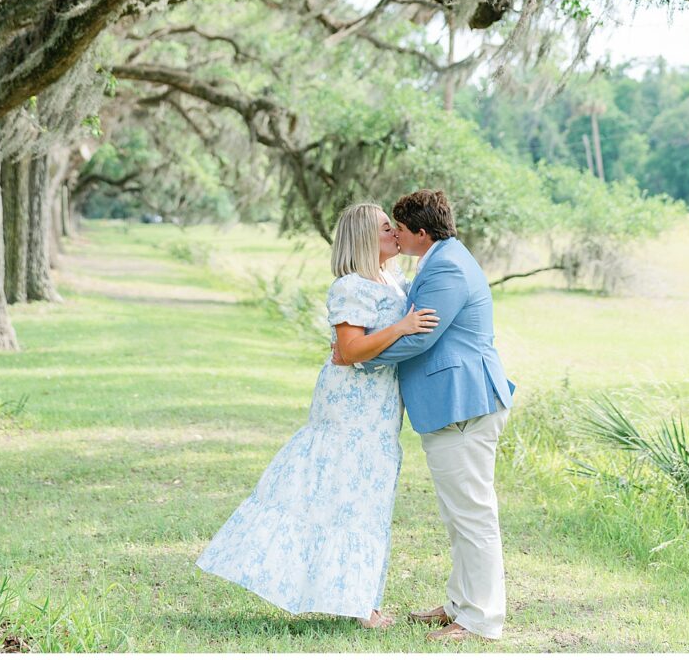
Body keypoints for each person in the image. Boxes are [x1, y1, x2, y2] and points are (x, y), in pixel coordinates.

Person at [196, 202, 438, 628]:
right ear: (365, 237)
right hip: (349, 407)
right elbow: (350, 351)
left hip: (381, 406)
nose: (396, 234)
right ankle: (362, 605)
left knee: (369, 498)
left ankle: (358, 597)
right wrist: (400, 328)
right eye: (387, 228)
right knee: (344, 494)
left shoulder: (395, 280)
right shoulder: (350, 286)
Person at [334, 188, 513, 643]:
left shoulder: (448, 265)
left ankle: (481, 621)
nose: (394, 234)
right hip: (450, 405)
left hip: (464, 403)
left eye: (398, 228)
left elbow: (421, 338)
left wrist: (358, 357)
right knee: (459, 516)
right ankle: (460, 604)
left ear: (419, 232)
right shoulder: (438, 260)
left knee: (473, 516)